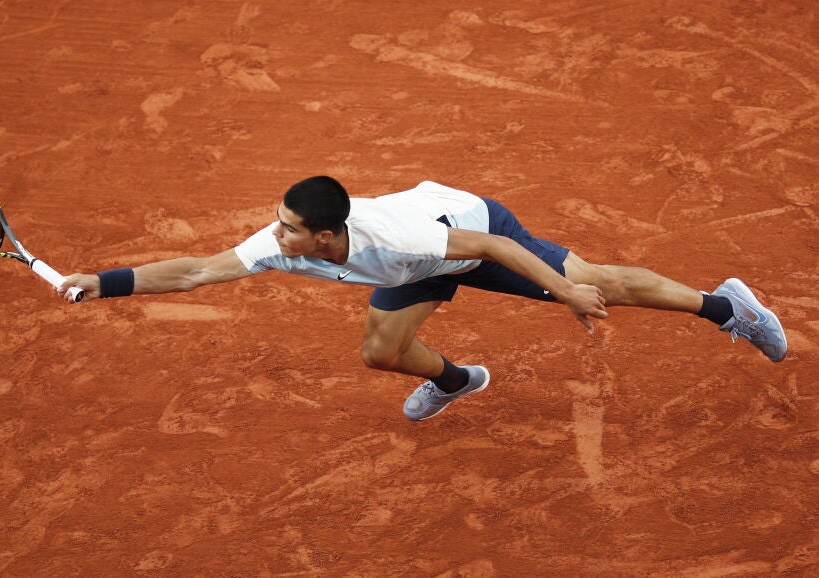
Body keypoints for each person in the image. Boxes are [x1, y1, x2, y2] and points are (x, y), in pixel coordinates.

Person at [58, 177, 788, 421]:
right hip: (416, 267)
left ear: (323, 236)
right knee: (381, 353)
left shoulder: (394, 234)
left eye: (288, 227)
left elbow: (493, 247)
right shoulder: (278, 244)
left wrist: (566, 290)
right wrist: (103, 280)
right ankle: (457, 380)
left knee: (609, 285)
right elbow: (193, 273)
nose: (274, 234)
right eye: (277, 222)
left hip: (472, 234)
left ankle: (730, 308)